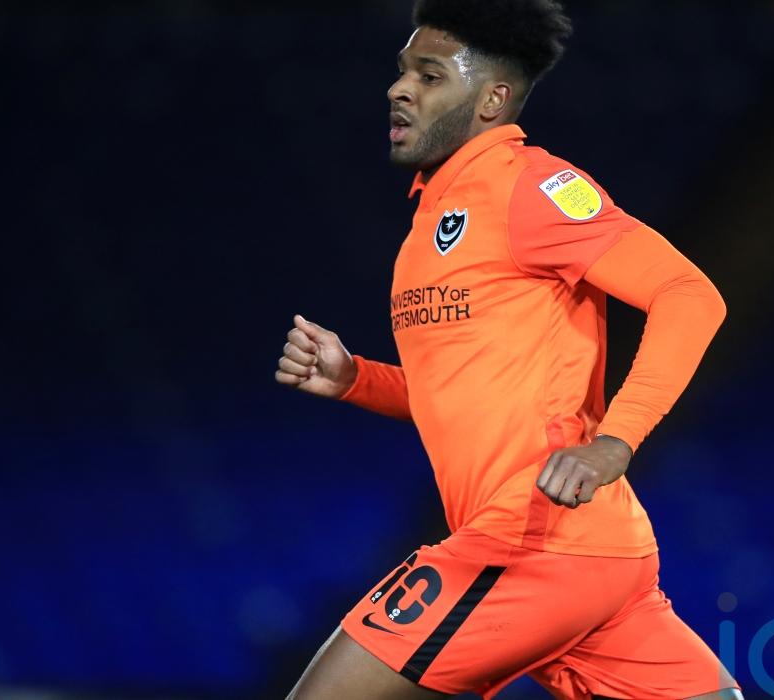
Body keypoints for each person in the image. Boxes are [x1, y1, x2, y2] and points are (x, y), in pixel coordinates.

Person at [277, 1, 740, 697]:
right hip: (584, 555)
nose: (399, 88)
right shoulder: (432, 220)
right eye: (403, 71)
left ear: (492, 99)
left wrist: (614, 442)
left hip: (534, 540)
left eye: (429, 75)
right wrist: (356, 380)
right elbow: (472, 393)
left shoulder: (530, 186)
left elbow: (688, 293)